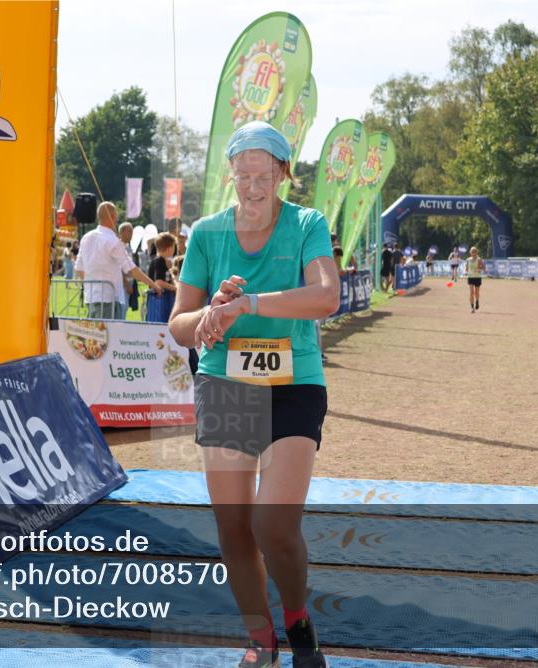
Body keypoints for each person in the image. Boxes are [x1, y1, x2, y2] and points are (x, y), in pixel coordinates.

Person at [168, 121, 339, 668]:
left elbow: (326, 296)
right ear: (231, 175)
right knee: (235, 528)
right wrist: (210, 312)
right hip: (225, 384)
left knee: (273, 524)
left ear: (283, 173)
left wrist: (251, 304)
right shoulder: (206, 233)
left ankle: (298, 619)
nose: (253, 187)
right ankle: (261, 641)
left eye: (263, 176)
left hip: (293, 385)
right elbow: (179, 325)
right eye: (243, 176)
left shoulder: (307, 224)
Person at [76, 202, 159, 320]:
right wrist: (154, 285)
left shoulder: (86, 237)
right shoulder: (112, 240)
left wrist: (92, 283)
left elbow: (79, 269)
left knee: (94, 331)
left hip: (90, 298)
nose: (116, 220)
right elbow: (131, 269)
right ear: (112, 217)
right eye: (116, 216)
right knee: (109, 332)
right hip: (109, 300)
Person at [146, 233, 178, 323]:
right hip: (157, 301)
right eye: (174, 246)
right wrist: (175, 288)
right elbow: (158, 282)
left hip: (164, 300)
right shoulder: (159, 261)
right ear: (169, 248)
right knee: (158, 325)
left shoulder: (164, 262)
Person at [465, 245, 485, 313]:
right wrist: (467, 271)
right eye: (472, 252)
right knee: (471, 292)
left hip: (477, 277)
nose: (473, 253)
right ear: (470, 253)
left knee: (477, 292)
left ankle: (477, 301)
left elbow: (484, 268)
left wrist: (478, 268)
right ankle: (472, 307)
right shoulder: (468, 260)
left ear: (476, 252)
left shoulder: (479, 259)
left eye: (475, 252)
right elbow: (466, 269)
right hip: (470, 277)